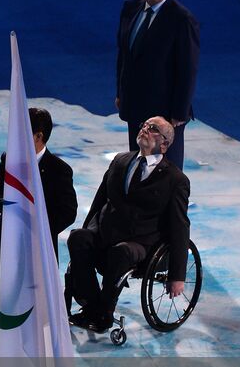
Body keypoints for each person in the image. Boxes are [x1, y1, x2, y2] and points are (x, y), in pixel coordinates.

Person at [66, 117, 190, 333]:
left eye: (153, 129)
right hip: (107, 232)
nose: (144, 129)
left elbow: (180, 226)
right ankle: (92, 304)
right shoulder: (121, 161)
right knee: (78, 237)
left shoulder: (175, 180)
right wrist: (88, 229)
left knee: (120, 253)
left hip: (141, 242)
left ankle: (104, 313)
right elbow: (99, 200)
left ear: (164, 143)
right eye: (144, 125)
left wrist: (177, 275)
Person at [116, 0, 199, 168]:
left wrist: (179, 112)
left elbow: (187, 69)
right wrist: (121, 92)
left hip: (165, 113)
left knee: (165, 168)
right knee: (136, 162)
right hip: (134, 104)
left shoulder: (181, 19)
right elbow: (124, 55)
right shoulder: (130, 7)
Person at [0, 107, 77, 273]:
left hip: (40, 251)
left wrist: (37, 228)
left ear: (39, 136)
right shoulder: (9, 158)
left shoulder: (59, 170)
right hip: (8, 243)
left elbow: (68, 213)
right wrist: (15, 212)